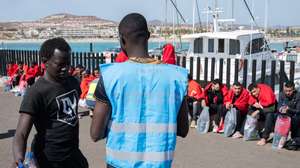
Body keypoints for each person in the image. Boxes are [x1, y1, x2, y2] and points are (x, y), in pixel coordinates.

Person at [90, 13, 189, 168]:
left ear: (122, 40)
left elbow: (95, 134)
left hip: (119, 164)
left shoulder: (111, 76)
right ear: (148, 36)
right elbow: (183, 130)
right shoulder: (176, 77)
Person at [12, 37, 88, 168]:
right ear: (45, 62)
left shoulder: (73, 82)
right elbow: (21, 133)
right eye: (60, 64)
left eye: (68, 63)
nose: (65, 68)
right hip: (48, 159)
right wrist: (18, 159)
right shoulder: (36, 92)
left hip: (73, 154)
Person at [277, 81, 300, 150]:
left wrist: (289, 109)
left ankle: (295, 139)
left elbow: (298, 110)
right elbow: (278, 107)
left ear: (293, 89)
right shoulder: (281, 94)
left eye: (290, 91)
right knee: (275, 116)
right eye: (286, 91)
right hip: (284, 114)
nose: (288, 93)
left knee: (297, 118)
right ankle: (279, 137)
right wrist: (281, 109)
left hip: (294, 115)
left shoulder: (298, 95)